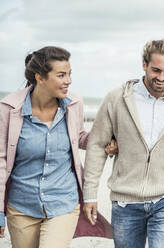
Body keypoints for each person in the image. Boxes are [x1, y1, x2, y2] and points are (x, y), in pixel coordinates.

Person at [82, 39, 164, 248]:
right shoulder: (117, 99)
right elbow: (96, 146)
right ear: (144, 64)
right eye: (156, 70)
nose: (161, 77)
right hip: (125, 203)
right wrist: (90, 195)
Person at [0, 46, 112, 248]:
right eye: (61, 75)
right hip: (21, 207)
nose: (68, 80)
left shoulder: (73, 103)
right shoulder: (9, 109)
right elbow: (1, 161)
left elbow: (78, 137)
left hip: (63, 203)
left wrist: (105, 141)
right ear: (40, 77)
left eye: (69, 74)